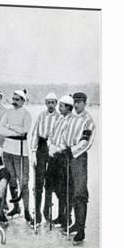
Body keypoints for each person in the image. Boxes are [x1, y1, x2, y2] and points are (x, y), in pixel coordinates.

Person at [62, 92, 96, 244]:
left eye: (79, 102)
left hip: (79, 158)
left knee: (80, 192)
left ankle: (81, 229)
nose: (76, 105)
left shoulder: (88, 120)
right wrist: (63, 148)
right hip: (67, 156)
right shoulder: (72, 118)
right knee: (70, 190)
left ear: (85, 103)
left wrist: (72, 151)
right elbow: (65, 135)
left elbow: (86, 142)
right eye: (75, 102)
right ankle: (76, 222)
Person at [0, 89, 32, 221]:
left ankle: (27, 210)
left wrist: (10, 127)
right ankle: (16, 207)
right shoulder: (8, 113)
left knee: (23, 182)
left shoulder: (26, 114)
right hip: (7, 150)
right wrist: (14, 131)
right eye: (13, 99)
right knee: (11, 180)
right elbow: (0, 130)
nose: (14, 102)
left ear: (23, 101)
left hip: (21, 152)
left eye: (17, 99)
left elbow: (24, 131)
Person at [30, 92, 59, 224]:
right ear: (46, 103)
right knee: (38, 181)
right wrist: (33, 150)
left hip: (53, 148)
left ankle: (47, 209)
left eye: (53, 102)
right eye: (48, 102)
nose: (51, 105)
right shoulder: (41, 115)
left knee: (50, 181)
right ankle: (37, 213)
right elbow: (35, 133)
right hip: (41, 147)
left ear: (56, 104)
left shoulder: (59, 117)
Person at [46, 95, 75, 229]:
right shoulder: (60, 119)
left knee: (65, 188)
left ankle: (67, 217)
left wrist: (59, 149)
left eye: (62, 106)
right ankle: (61, 216)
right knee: (55, 187)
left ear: (68, 108)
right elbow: (52, 135)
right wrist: (50, 147)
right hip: (54, 157)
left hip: (64, 158)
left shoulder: (72, 121)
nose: (59, 108)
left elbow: (68, 140)